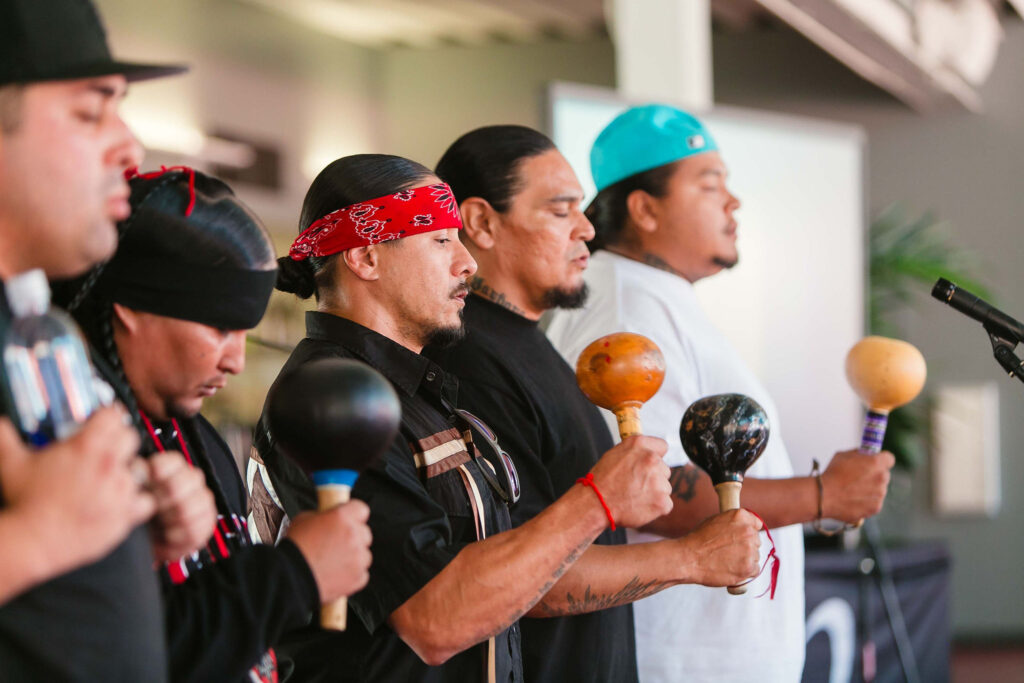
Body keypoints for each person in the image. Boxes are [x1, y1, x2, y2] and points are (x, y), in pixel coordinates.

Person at [249, 153, 674, 682]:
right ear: (365, 257)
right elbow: (432, 619)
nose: (467, 263)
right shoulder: (333, 396)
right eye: (441, 240)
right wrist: (600, 501)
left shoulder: (413, 389)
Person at [546, 104, 896, 682]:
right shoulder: (628, 309)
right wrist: (821, 494)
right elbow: (652, 491)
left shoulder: (649, 294)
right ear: (644, 209)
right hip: (680, 661)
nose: (733, 202)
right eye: (710, 185)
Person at [425, 125, 763, 683]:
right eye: (561, 211)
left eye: (581, 209)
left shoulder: (531, 342)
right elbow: (524, 580)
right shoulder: (471, 363)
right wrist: (693, 559)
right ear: (480, 222)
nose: (585, 229)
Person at [57, 167, 374, 683]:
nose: (234, 362)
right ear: (135, 307)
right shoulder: (70, 442)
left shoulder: (198, 436)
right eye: (220, 327)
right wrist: (295, 574)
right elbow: (130, 652)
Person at [0, 1, 207, 679]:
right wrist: (42, 536)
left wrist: (120, 533)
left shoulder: (40, 335)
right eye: (91, 113)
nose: (130, 146)